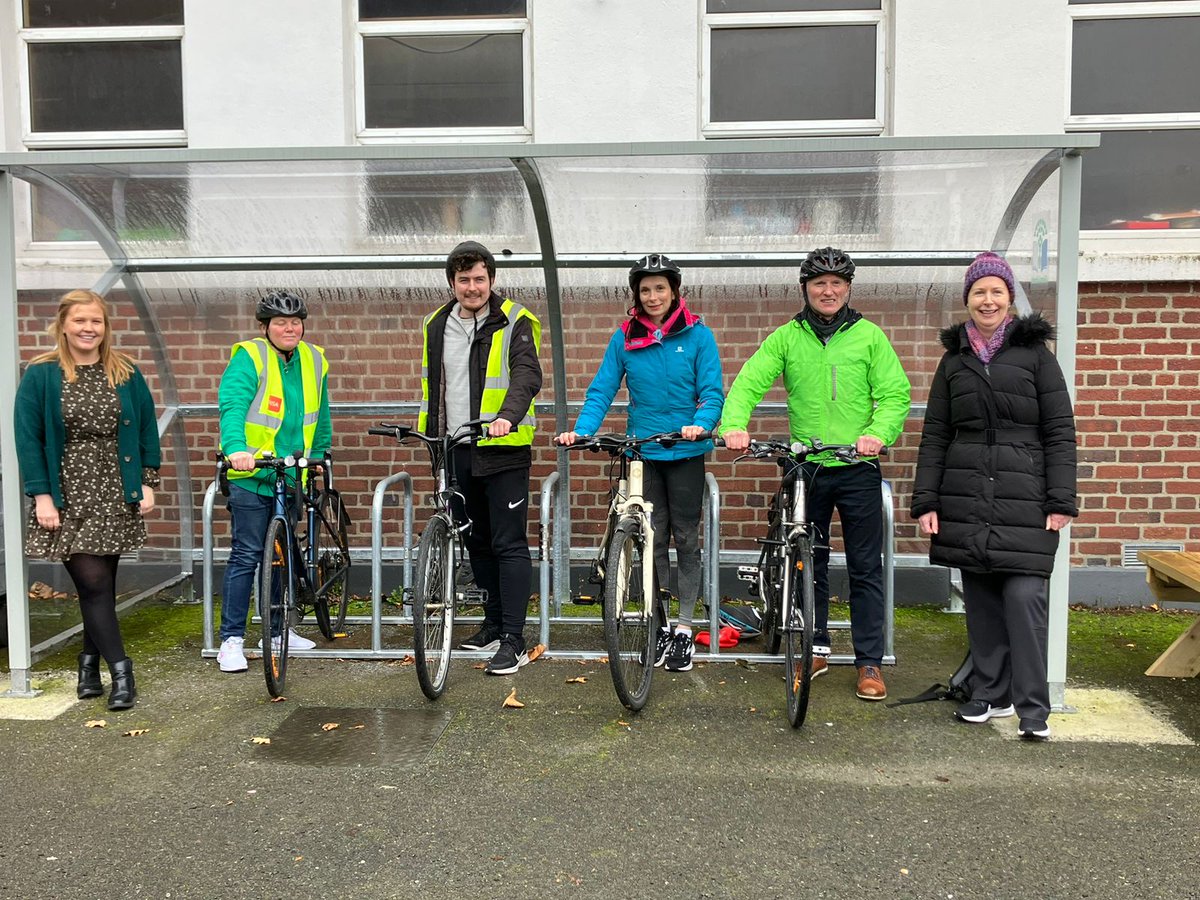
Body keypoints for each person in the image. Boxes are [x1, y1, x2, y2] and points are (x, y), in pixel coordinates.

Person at [720, 247, 911, 701]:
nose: (829, 290)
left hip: (857, 464)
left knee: (867, 566)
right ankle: (817, 645)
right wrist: (734, 425)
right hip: (806, 466)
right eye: (820, 283)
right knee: (810, 561)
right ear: (805, 288)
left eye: (838, 283)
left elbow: (895, 394)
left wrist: (877, 434)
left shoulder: (869, 337)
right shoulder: (787, 337)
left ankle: (869, 661)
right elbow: (749, 381)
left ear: (848, 288)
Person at [910, 251, 1077, 741]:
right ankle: (988, 693)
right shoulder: (953, 360)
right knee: (979, 599)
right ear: (968, 301)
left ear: (1010, 299)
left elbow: (1060, 432)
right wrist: (927, 500)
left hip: (1026, 496)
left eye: (996, 291)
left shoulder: (1036, 357)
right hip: (965, 497)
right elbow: (936, 434)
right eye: (978, 292)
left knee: (1025, 599)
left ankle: (1031, 708)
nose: (987, 300)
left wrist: (1061, 499)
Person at [556, 253, 724, 672]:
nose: (653, 296)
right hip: (643, 451)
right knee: (653, 537)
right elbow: (601, 390)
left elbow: (712, 392)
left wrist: (701, 424)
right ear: (637, 294)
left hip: (685, 452)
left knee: (685, 538)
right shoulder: (624, 338)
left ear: (674, 291)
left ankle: (685, 628)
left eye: (660, 288)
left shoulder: (699, 336)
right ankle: (660, 623)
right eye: (645, 289)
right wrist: (582, 430)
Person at [14, 290, 161, 711]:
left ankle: (88, 665)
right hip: (68, 492)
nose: (88, 328)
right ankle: (121, 671)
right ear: (63, 325)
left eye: (95, 321)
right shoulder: (41, 374)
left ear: (105, 326)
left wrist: (147, 481)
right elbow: (29, 439)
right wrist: (42, 496)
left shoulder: (124, 371)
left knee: (101, 586)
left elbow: (147, 425)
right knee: (93, 583)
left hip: (116, 487)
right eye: (80, 320)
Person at [424, 241, 543, 675]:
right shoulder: (436, 323)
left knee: (507, 542)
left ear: (491, 279)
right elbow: (434, 385)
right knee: (475, 541)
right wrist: (432, 440)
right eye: (463, 280)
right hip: (456, 447)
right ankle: (492, 626)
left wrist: (507, 417)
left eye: (479, 279)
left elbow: (528, 375)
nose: (471, 287)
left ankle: (514, 638)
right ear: (452, 283)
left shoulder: (516, 320)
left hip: (503, 448)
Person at [217, 290, 331, 673]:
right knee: (248, 554)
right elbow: (232, 406)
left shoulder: (313, 359)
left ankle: (280, 631)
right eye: (281, 322)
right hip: (252, 473)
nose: (290, 328)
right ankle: (231, 640)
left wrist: (322, 454)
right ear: (264, 327)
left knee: (281, 553)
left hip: (292, 471)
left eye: (296, 321)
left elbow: (322, 413)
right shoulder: (249, 357)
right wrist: (236, 448)